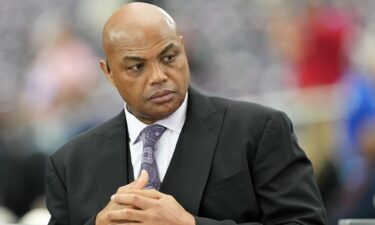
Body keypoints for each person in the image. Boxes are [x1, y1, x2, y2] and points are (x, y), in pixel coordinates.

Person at [45, 3, 327, 225]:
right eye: (136, 67)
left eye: (169, 57)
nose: (158, 76)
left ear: (182, 47)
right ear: (108, 73)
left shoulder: (259, 130)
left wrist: (190, 224)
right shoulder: (69, 164)